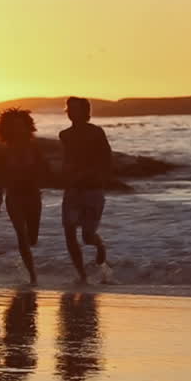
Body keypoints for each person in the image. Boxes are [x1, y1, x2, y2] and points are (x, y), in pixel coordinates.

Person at [57, 96, 111, 283]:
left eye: (76, 109)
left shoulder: (96, 132)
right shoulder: (65, 135)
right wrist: (66, 172)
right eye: (69, 109)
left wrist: (92, 174)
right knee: (69, 231)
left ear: (85, 112)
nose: (72, 112)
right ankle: (82, 275)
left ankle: (100, 245)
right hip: (72, 188)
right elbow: (67, 158)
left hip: (93, 189)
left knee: (87, 236)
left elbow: (106, 158)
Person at [0, 108, 47, 284]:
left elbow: (44, 170)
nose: (18, 130)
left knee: (32, 238)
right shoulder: (5, 150)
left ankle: (25, 265)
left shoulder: (35, 148)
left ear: (27, 127)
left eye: (21, 126)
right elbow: (1, 175)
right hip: (14, 196)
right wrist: (0, 198)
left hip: (32, 195)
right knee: (22, 235)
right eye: (14, 126)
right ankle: (33, 276)